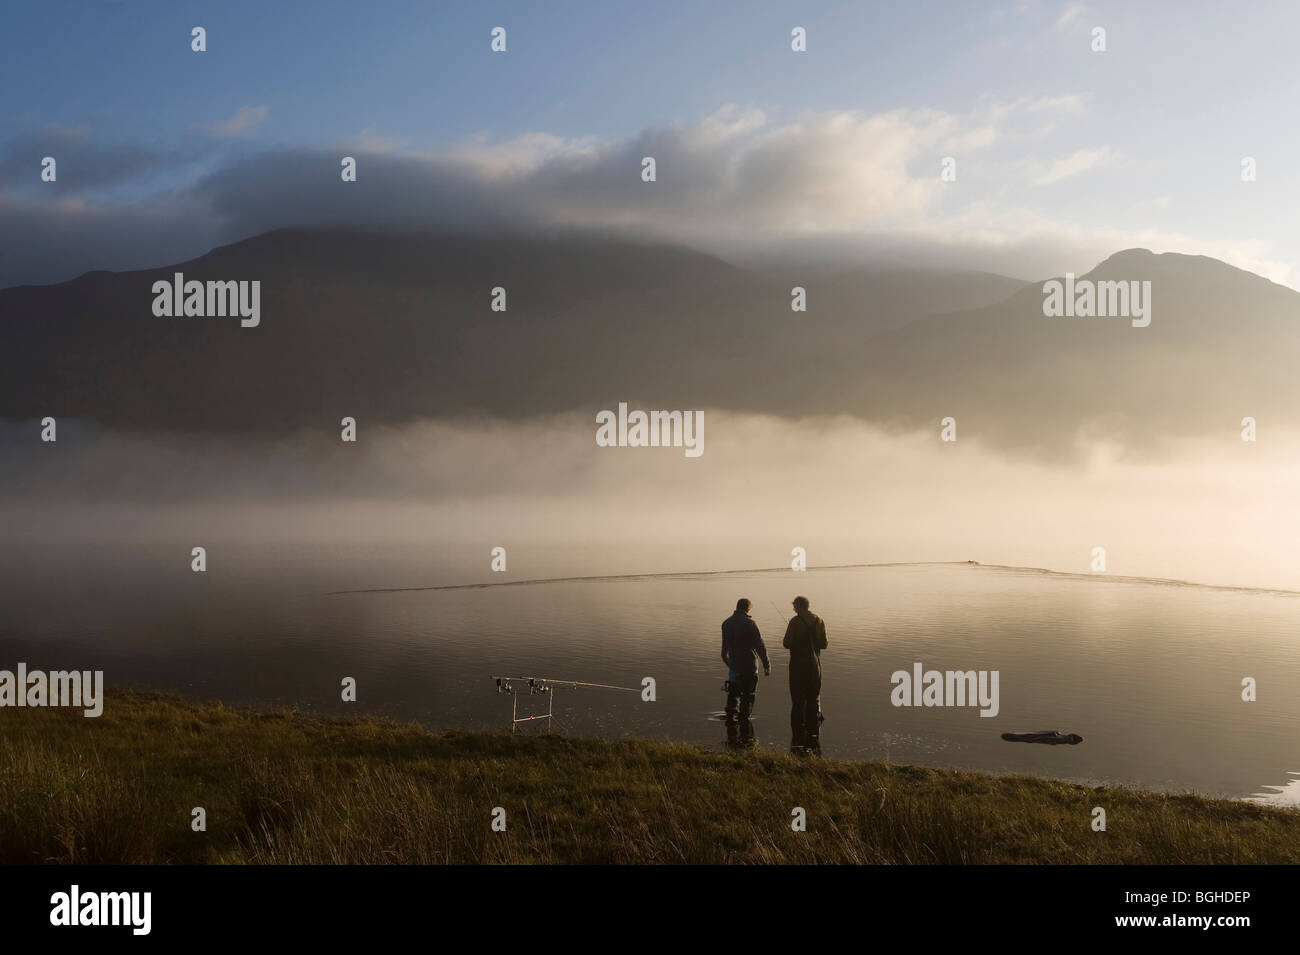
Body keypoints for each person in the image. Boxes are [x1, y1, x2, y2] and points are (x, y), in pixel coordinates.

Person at [782, 595, 827, 747]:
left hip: (798, 667)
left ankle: (797, 737)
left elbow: (786, 643)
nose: (794, 609)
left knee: (797, 701)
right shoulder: (819, 620)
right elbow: (824, 644)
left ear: (800, 606)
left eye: (794, 606)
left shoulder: (795, 621)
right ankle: (813, 736)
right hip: (815, 668)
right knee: (813, 699)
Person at [721, 598, 771, 723]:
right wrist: (766, 664)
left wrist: (729, 663)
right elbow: (760, 645)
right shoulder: (750, 624)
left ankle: (730, 722)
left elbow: (724, 650)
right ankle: (745, 724)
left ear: (737, 606)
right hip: (749, 666)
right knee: (748, 696)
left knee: (732, 695)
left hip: (734, 667)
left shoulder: (726, 623)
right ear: (747, 608)